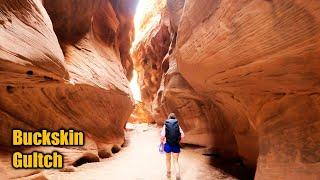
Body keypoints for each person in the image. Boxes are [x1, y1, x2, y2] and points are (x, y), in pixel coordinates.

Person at [160, 113, 184, 179]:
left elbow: (162, 135)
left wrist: (161, 143)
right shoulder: (177, 125)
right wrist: (179, 141)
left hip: (167, 144)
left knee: (168, 159)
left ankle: (168, 173)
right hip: (176, 144)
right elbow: (182, 135)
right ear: (174, 118)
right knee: (176, 160)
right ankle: (178, 174)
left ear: (169, 118)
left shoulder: (166, 125)